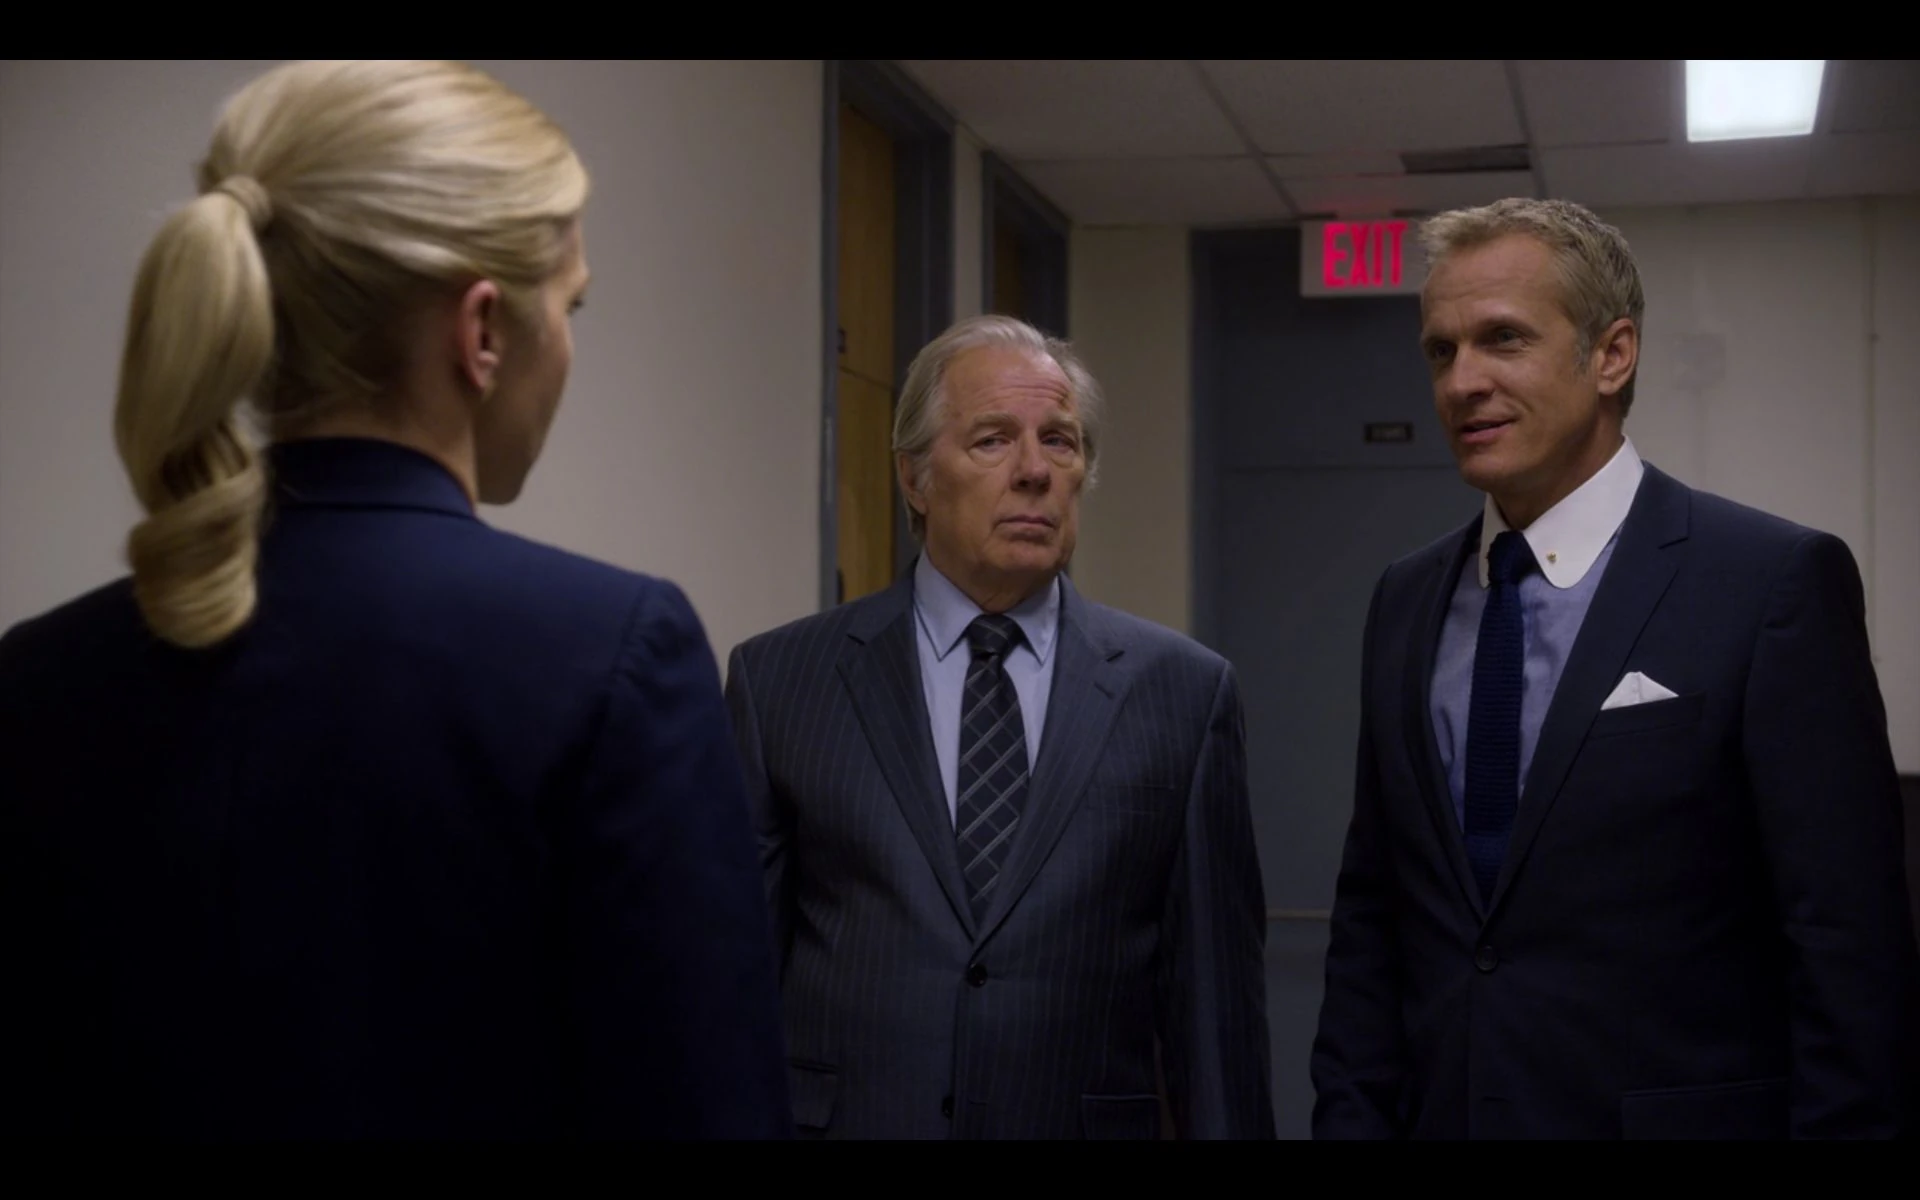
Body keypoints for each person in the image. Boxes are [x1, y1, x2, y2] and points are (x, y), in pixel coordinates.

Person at [0, 59, 790, 1140]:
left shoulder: (40, 676)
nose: (568, 344)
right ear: (482, 331)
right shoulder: (608, 656)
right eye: (570, 306)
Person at [1310, 196, 1920, 1139]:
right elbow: (1373, 919)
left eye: (1503, 339)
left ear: (1612, 355)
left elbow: (1848, 950)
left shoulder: (1768, 582)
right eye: (1441, 350)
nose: (1462, 381)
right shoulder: (1405, 599)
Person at [724, 314, 1275, 1139]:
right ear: (914, 478)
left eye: (1059, 441)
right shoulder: (782, 682)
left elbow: (1216, 1020)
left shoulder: (1182, 694)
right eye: (992, 440)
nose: (1034, 471)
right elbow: (730, 984)